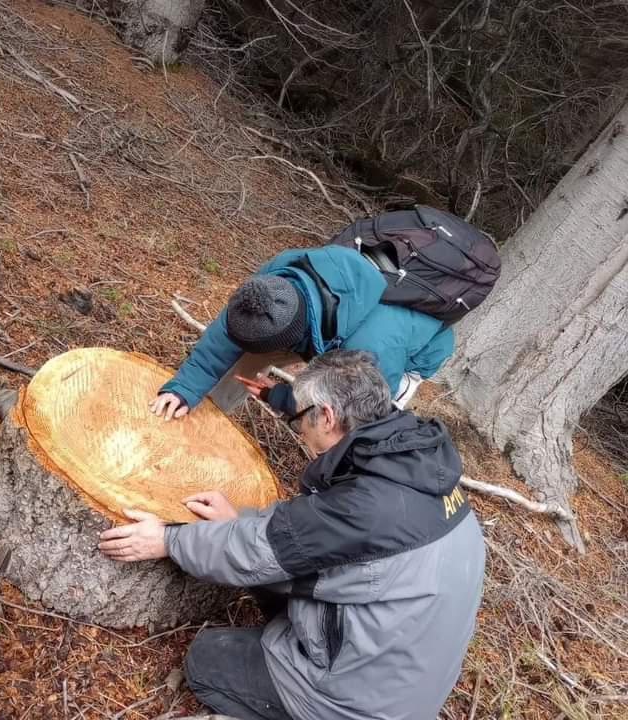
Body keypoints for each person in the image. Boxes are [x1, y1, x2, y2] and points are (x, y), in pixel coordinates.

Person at [100, 350, 485, 720]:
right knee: (274, 577)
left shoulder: (366, 509)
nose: (299, 428)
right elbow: (307, 536)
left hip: (356, 704)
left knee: (207, 658)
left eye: (301, 418)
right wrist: (238, 520)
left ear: (328, 417)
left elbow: (264, 550)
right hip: (401, 680)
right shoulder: (414, 464)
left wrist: (169, 539)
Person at [150, 245, 454, 420]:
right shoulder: (281, 274)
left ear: (292, 342)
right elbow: (225, 335)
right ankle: (201, 418)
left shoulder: (369, 351)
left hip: (407, 354)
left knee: (337, 425)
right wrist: (184, 388)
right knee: (240, 362)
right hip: (327, 321)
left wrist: (282, 397)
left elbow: (363, 417)